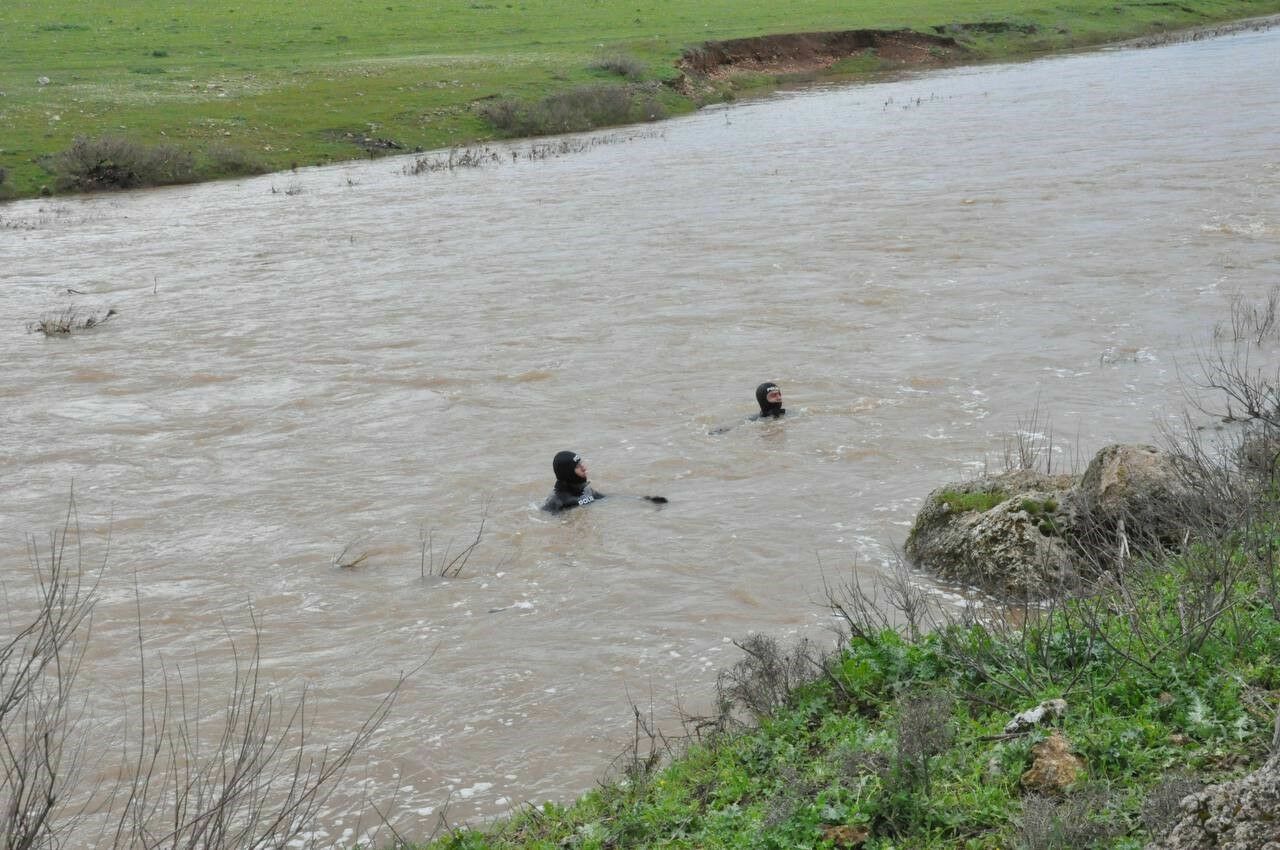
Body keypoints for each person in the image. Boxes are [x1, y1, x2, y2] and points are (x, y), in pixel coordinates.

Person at [541, 450, 606, 513]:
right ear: (568, 472)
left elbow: (608, 500)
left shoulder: (587, 490)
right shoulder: (557, 502)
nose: (584, 469)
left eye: (581, 464)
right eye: (578, 466)